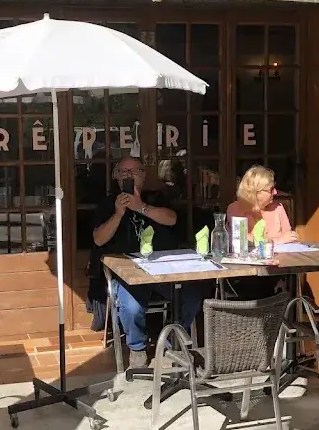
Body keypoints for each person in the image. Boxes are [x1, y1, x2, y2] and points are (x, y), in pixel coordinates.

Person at [88, 156, 206, 369]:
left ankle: (172, 343)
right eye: (123, 172)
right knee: (131, 307)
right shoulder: (108, 203)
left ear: (144, 175)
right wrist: (119, 213)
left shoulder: (156, 198)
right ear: (116, 176)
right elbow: (98, 239)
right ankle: (138, 348)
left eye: (134, 171)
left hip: (162, 270)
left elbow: (172, 219)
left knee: (191, 296)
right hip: (128, 273)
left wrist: (141, 207)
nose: (128, 176)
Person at [225, 165, 298, 300]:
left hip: (276, 268)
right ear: (256, 192)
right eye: (271, 189)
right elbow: (244, 241)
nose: (275, 192)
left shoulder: (278, 208)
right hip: (245, 271)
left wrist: (267, 241)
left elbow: (291, 239)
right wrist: (277, 240)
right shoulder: (235, 209)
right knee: (254, 285)